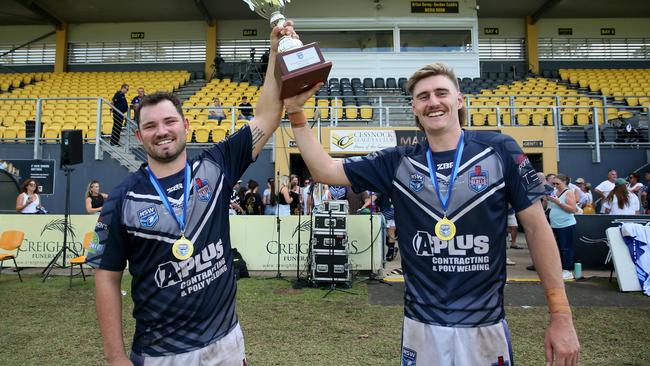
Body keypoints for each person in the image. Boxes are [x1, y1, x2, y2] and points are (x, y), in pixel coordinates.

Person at [285, 62, 580, 365]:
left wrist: (560, 314)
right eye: (423, 96)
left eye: (441, 93)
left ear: (459, 100)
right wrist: (296, 112)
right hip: (422, 327)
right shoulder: (398, 161)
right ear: (414, 107)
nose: (433, 102)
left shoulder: (499, 150)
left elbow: (537, 228)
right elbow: (325, 169)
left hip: (484, 325)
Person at [86, 21, 290, 366]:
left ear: (186, 126)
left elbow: (269, 114)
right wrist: (115, 357)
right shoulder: (123, 199)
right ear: (139, 137)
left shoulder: (216, 165)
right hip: (161, 353)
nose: (161, 131)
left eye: (169, 122)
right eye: (150, 126)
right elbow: (106, 277)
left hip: (226, 343)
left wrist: (273, 51)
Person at [547, 174, 577, 280]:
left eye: (557, 183)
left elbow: (573, 209)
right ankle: (560, 269)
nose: (555, 185)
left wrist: (558, 202)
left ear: (565, 182)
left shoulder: (569, 192)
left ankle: (567, 270)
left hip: (566, 225)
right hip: (555, 225)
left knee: (566, 248)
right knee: (558, 248)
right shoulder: (555, 192)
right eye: (554, 183)